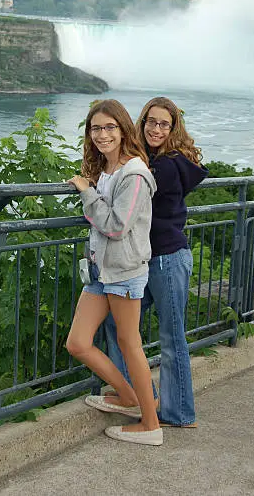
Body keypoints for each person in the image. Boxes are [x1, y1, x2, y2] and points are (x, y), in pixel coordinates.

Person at [103, 96, 208, 428]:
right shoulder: (155, 160)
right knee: (117, 324)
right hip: (148, 261)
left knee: (172, 337)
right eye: (151, 122)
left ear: (174, 128)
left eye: (165, 123)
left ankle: (178, 413)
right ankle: (138, 394)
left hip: (168, 260)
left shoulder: (162, 166)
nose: (157, 129)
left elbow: (126, 196)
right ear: (142, 122)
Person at [65, 99, 163, 446]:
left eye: (109, 127)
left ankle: (150, 423)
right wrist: (92, 185)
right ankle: (128, 396)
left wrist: (87, 193)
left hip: (124, 270)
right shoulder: (106, 170)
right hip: (100, 270)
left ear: (123, 130)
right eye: (96, 128)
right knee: (77, 343)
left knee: (129, 342)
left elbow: (117, 226)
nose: (102, 134)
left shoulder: (134, 173)